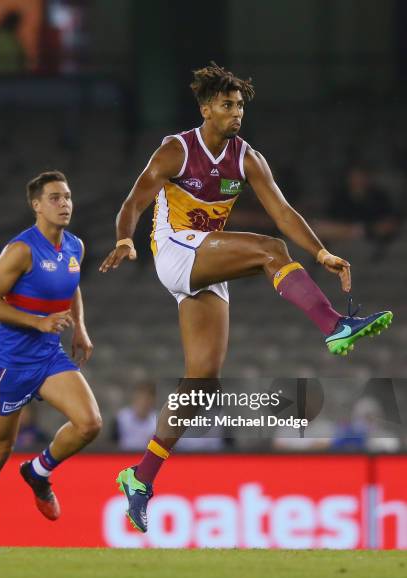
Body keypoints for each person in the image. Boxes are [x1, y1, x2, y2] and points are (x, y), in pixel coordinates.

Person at [99, 62, 392, 533]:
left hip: (205, 260)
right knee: (268, 251)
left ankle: (140, 477)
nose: (236, 112)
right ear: (205, 108)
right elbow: (134, 200)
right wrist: (123, 238)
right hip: (174, 250)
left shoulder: (247, 157)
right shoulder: (177, 149)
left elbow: (282, 210)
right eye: (226, 105)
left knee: (202, 382)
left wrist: (320, 251)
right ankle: (334, 323)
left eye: (240, 105)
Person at [0, 171, 102, 546]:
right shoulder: (21, 250)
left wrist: (80, 328)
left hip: (48, 355)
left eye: (68, 197)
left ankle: (39, 471)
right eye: (55, 198)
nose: (64, 204)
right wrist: (37, 322)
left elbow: (72, 288)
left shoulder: (75, 246)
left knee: (89, 424)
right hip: (10, 361)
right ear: (36, 205)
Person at [111, 382, 158, 451]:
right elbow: (112, 444)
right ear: (135, 398)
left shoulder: (159, 422)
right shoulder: (120, 418)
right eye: (141, 397)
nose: (143, 402)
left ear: (153, 400)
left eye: (147, 398)